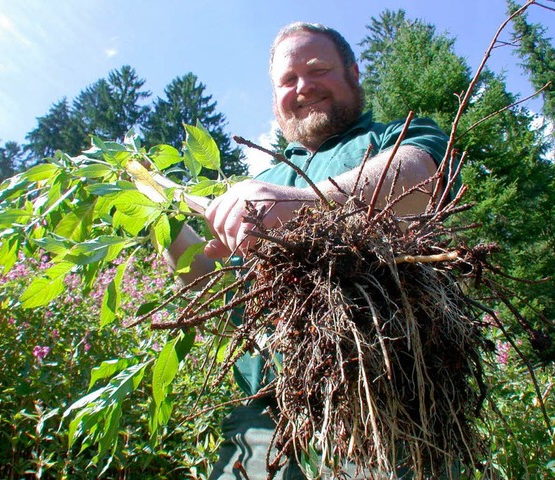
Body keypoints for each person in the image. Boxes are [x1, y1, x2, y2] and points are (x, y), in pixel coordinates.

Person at [167, 22, 450, 480]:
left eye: (318, 69)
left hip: (377, 404)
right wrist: (161, 224)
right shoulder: (261, 184)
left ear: (354, 73)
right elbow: (222, 300)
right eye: (287, 80)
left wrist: (301, 206)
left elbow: (419, 180)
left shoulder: (396, 137)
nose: (303, 87)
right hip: (260, 424)